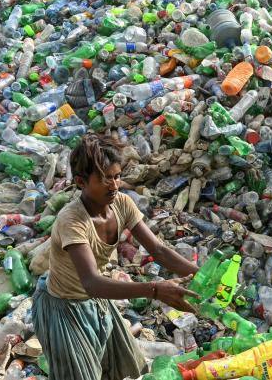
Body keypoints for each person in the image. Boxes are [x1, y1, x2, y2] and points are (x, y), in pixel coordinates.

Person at [32, 133, 200, 380]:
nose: (114, 185)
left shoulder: (122, 203)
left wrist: (202, 276)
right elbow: (91, 281)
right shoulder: (72, 221)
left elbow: (159, 250)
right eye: (104, 179)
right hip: (64, 309)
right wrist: (153, 289)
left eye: (117, 176)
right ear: (80, 181)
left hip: (97, 301)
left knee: (131, 369)